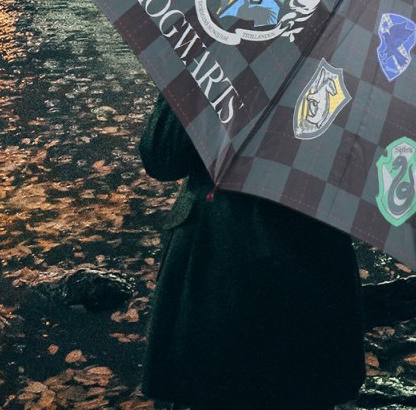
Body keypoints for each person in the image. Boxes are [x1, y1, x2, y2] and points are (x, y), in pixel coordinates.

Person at [138, 92, 366, 410]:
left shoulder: (221, 52)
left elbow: (162, 154)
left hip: (223, 268)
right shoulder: (356, 59)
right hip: (309, 264)